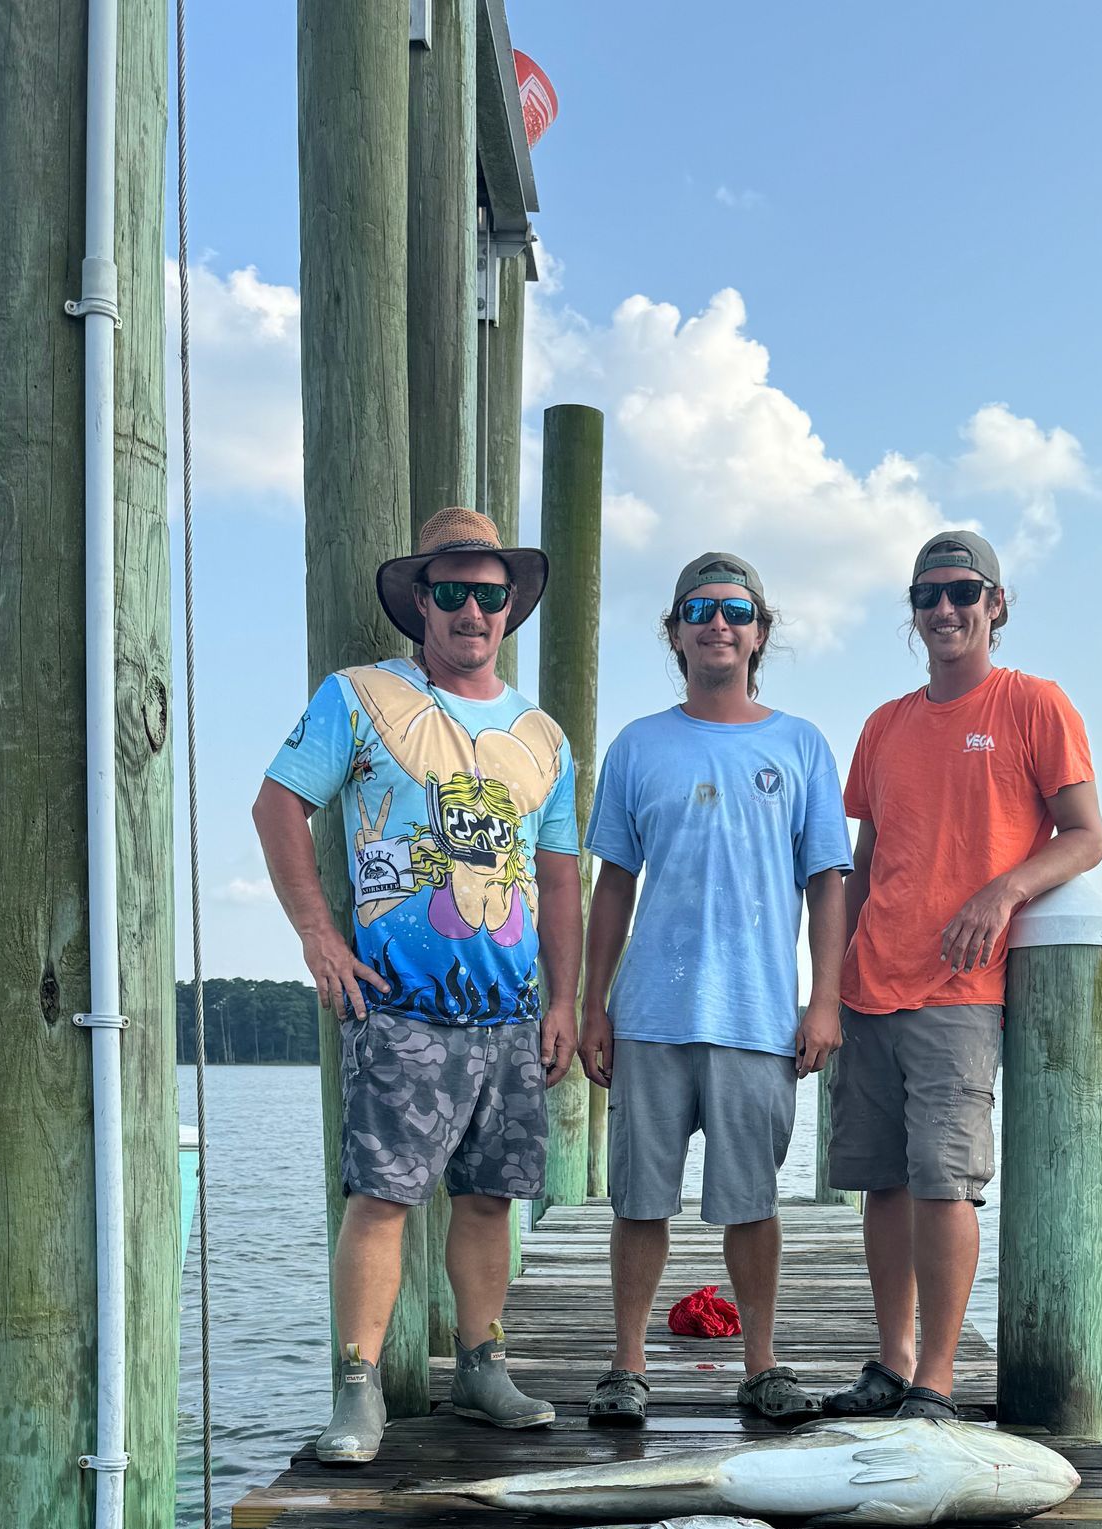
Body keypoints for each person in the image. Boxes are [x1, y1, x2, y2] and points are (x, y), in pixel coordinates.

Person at [252, 507, 583, 1463]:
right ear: (421, 604)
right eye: (452, 592)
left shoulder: (542, 736)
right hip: (397, 1004)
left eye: (489, 593)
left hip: (511, 1012)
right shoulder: (357, 698)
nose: (472, 609)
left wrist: (562, 1000)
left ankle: (482, 1366)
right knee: (382, 1196)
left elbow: (558, 873)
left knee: (491, 1199)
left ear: (510, 606)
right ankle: (358, 1388)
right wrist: (318, 934)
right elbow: (279, 804)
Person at [823, 528, 1102, 1419]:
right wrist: (827, 983)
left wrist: (1003, 892)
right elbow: (863, 863)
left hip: (960, 991)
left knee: (945, 1182)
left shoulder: (1034, 704)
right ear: (913, 614)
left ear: (996, 604)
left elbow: (1086, 835)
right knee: (880, 1181)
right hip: (870, 984)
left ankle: (937, 1383)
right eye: (927, 596)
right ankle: (891, 1362)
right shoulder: (884, 725)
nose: (945, 609)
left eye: (962, 592)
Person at [579, 550, 851, 1427]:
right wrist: (594, 1003)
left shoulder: (801, 744)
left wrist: (824, 1000)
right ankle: (626, 1368)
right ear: (675, 633)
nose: (717, 623)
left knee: (752, 1206)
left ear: (759, 633)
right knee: (639, 1202)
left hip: (758, 1018)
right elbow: (612, 884)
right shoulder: (636, 745)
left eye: (735, 610)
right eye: (699, 610)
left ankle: (762, 1365)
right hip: (651, 1015)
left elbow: (828, 883)